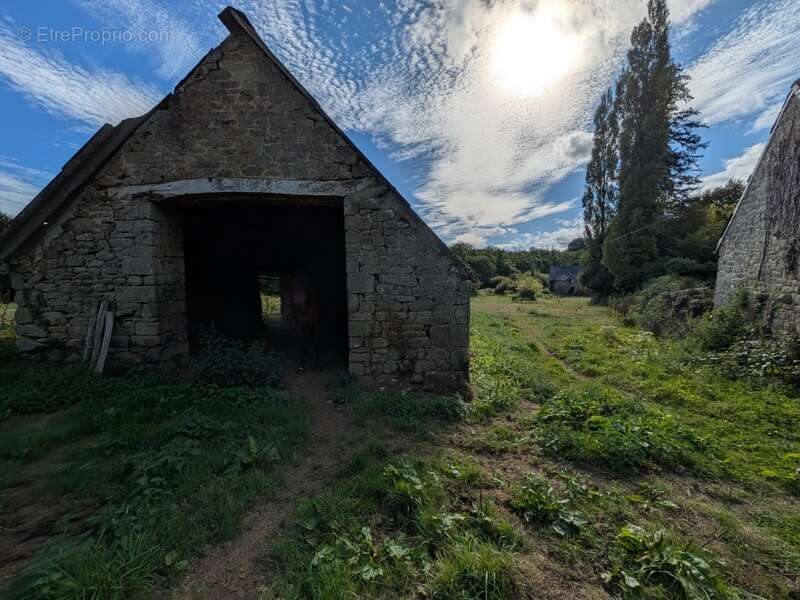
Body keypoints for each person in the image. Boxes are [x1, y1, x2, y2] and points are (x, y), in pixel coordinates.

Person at [290, 272, 321, 371]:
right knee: (302, 342)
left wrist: (312, 318)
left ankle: (315, 364)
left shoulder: (312, 294)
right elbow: (296, 308)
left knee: (314, 342)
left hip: (311, 319)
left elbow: (316, 308)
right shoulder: (298, 292)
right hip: (303, 320)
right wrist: (301, 318)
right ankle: (302, 364)